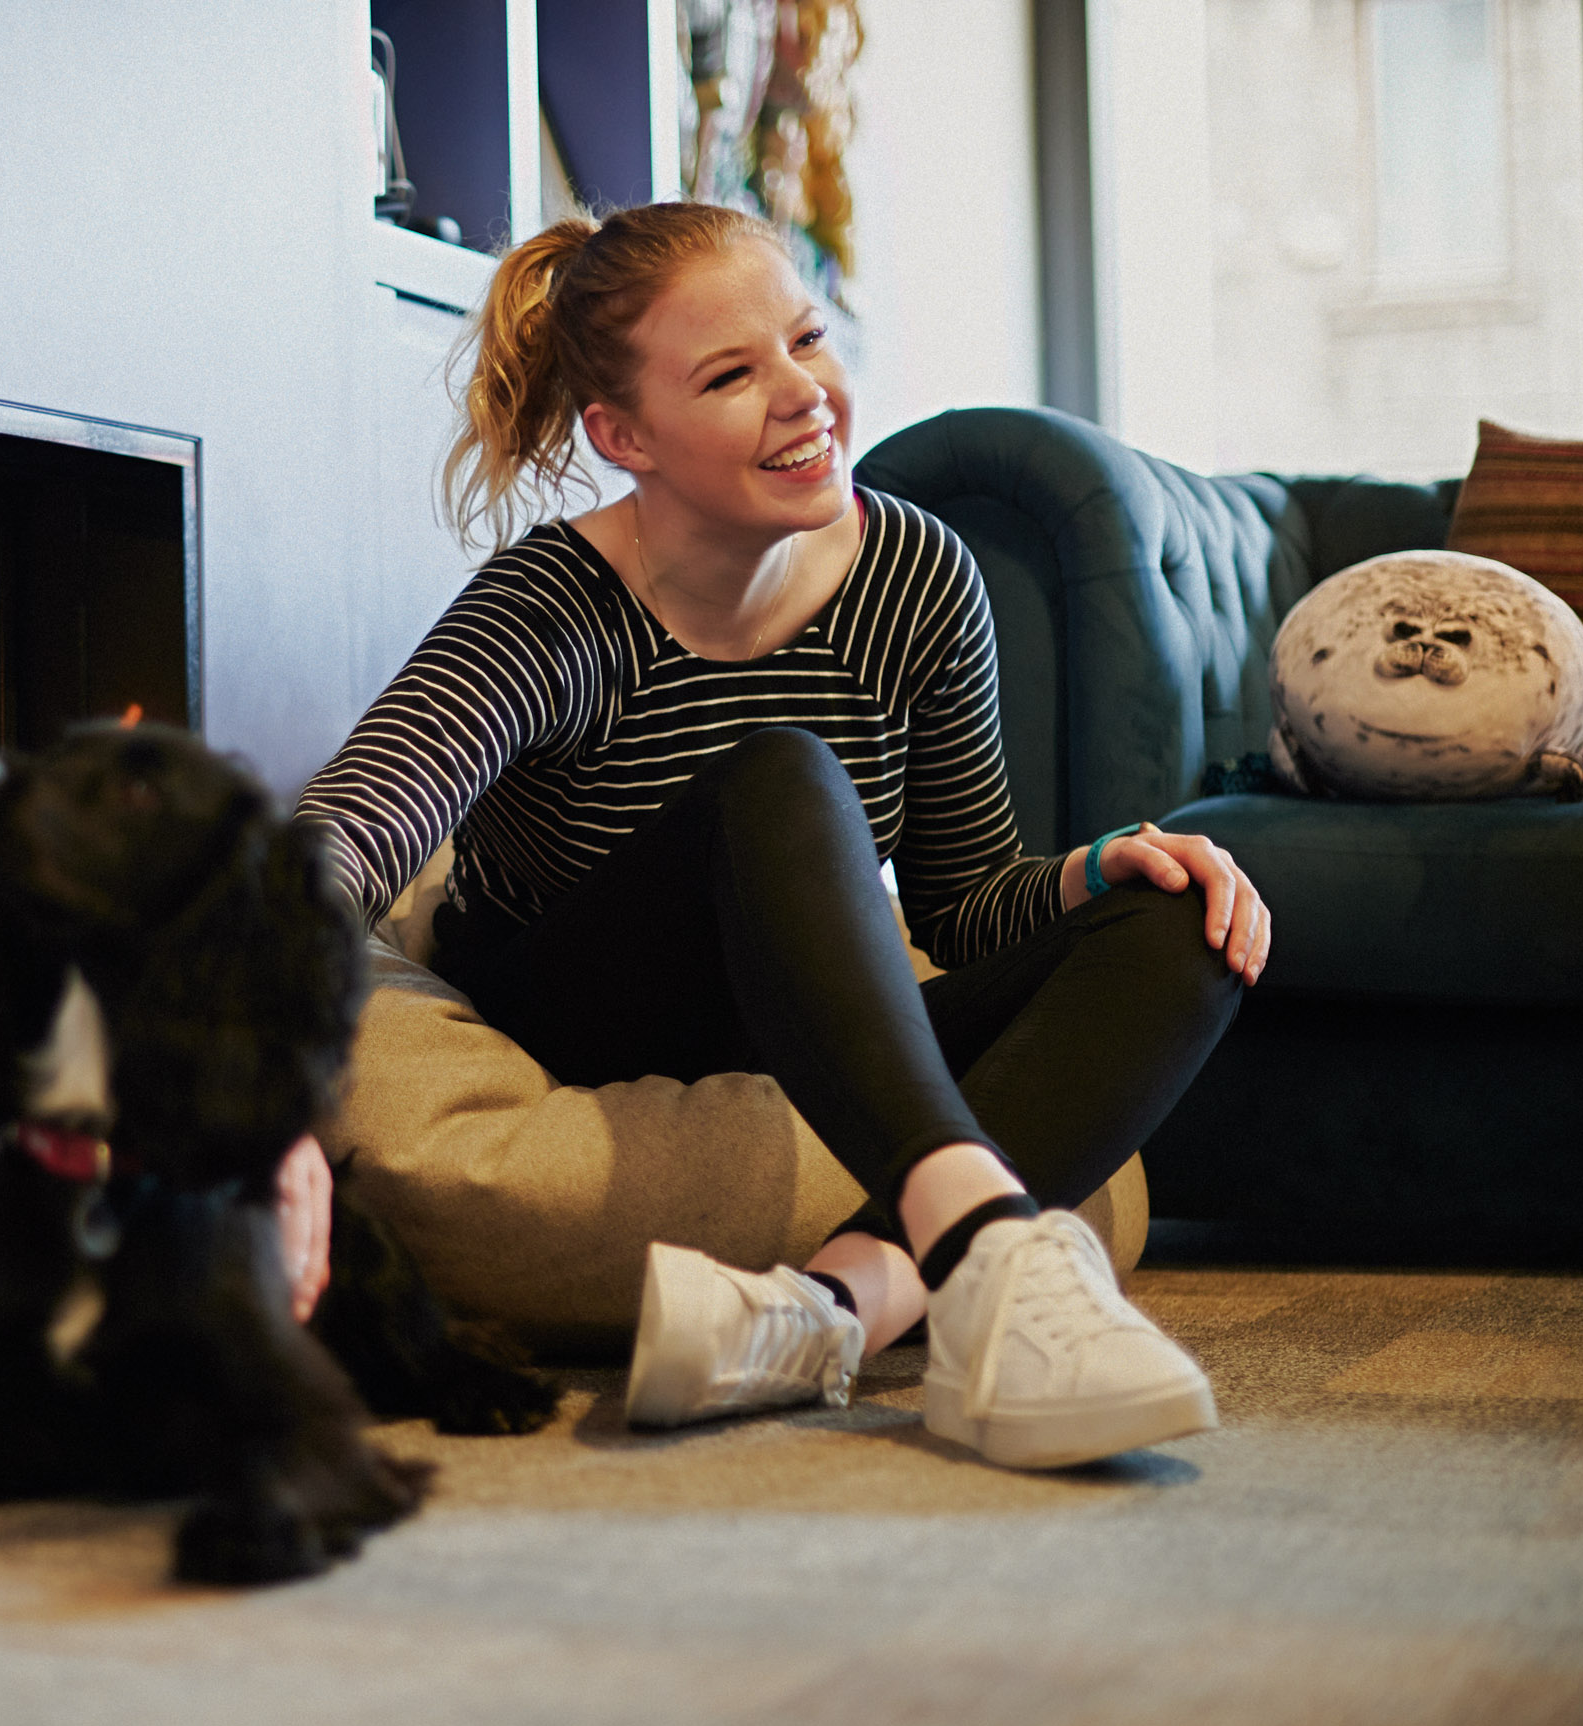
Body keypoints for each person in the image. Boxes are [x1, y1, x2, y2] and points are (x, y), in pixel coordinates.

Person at [277, 202, 1270, 1470]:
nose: (804, 395)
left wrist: (1092, 874)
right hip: (584, 1007)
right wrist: (270, 1091)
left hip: (810, 1019)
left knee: (1185, 910)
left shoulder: (917, 578)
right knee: (785, 778)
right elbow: (343, 836)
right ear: (623, 437)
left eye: (806, 340)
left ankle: (828, 1314)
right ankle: (985, 1253)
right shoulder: (554, 605)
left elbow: (963, 908)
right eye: (733, 375)